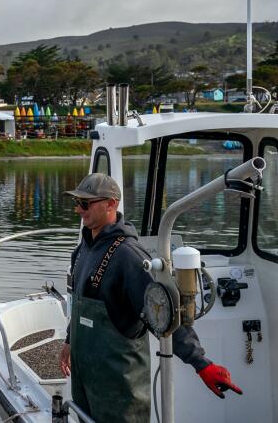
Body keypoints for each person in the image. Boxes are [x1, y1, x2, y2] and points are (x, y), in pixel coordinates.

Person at [57, 173, 241, 422]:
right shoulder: (82, 249)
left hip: (118, 386)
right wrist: (70, 340)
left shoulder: (128, 255)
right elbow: (80, 301)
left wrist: (201, 364)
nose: (78, 209)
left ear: (111, 204)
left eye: (85, 203)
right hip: (85, 380)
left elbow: (163, 315)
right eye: (76, 202)